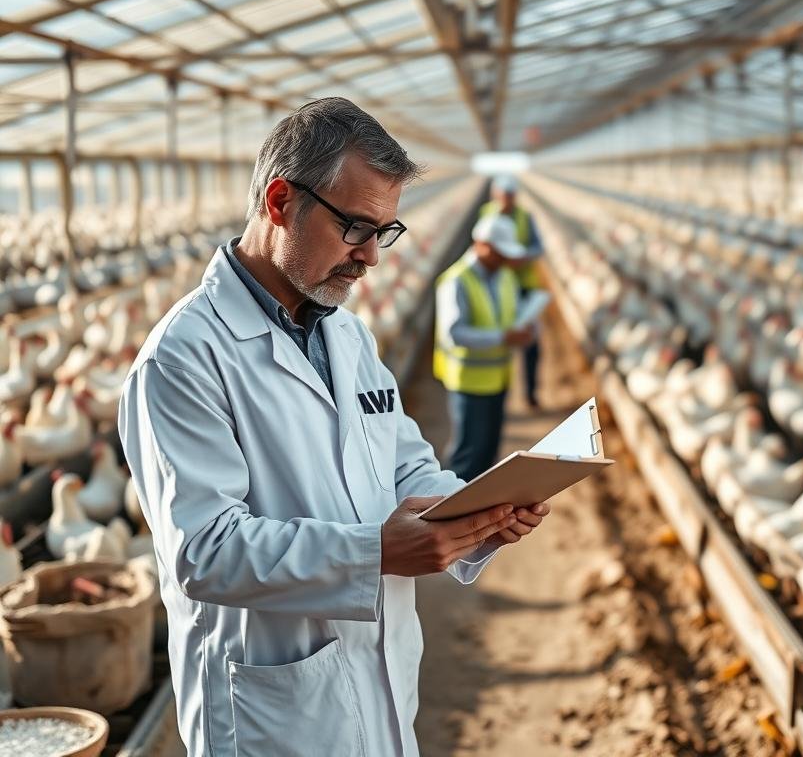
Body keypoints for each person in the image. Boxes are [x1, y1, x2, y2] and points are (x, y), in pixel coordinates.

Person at [118, 97, 550, 757]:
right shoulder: (184, 357)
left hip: (377, 683)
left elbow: (406, 464)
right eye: (356, 228)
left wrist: (476, 511)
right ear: (281, 201)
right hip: (273, 714)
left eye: (386, 231)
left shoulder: (347, 334)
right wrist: (374, 552)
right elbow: (203, 551)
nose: (373, 257)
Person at [434, 214, 534, 482]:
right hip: (469, 383)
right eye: (500, 253)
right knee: (467, 456)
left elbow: (511, 312)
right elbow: (453, 334)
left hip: (498, 379)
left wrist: (524, 324)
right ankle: (451, 511)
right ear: (482, 245)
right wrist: (503, 337)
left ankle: (478, 516)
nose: (504, 260)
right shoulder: (457, 280)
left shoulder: (504, 277)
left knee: (488, 455)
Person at [479, 175, 545, 408]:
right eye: (503, 197)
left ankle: (530, 391)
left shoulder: (525, 216)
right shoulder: (486, 214)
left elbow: (539, 247)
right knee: (499, 334)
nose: (507, 202)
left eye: (510, 197)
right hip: (498, 284)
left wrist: (525, 256)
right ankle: (498, 392)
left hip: (524, 284)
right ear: (495, 195)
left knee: (530, 339)